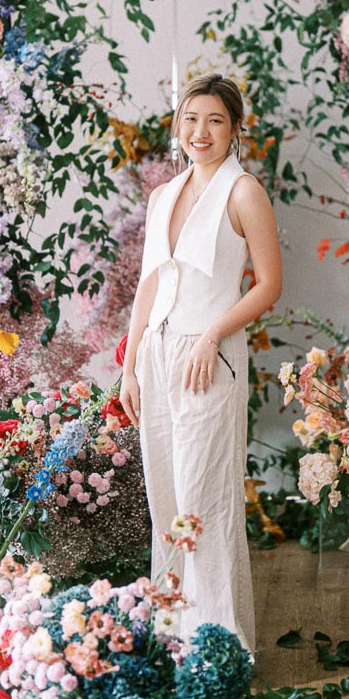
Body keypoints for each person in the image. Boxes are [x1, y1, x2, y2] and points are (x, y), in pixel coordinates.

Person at [119, 74, 282, 656]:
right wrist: (130, 364)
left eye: (215, 120)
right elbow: (149, 285)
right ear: (178, 125)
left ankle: (218, 645)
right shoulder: (164, 194)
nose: (200, 132)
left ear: (235, 129)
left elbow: (269, 284)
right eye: (191, 119)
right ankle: (172, 637)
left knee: (203, 498)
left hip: (208, 354)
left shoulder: (243, 192)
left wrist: (213, 333)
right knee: (165, 494)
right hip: (159, 354)